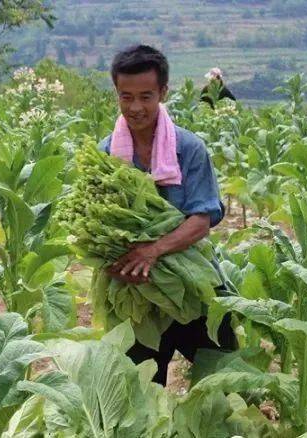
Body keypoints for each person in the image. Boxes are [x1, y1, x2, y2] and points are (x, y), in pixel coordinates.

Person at [98, 45, 236, 385]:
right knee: (138, 392)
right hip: (136, 294)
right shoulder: (106, 153)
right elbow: (101, 225)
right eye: (125, 97)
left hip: (190, 284)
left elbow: (202, 219)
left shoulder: (189, 149)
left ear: (163, 92)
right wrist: (116, 261)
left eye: (146, 96)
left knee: (225, 378)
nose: (135, 107)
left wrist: (152, 251)